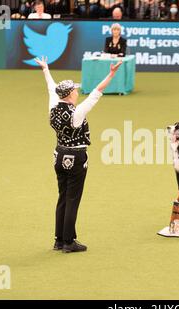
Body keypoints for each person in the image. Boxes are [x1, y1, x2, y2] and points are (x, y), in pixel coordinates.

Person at [34, 56, 122, 253]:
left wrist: (45, 69)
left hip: (59, 155)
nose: (76, 91)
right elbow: (96, 92)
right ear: (70, 94)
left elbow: (51, 87)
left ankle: (58, 239)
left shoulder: (53, 107)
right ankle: (68, 242)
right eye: (74, 89)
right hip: (76, 158)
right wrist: (111, 74)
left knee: (63, 197)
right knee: (73, 199)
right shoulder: (77, 112)